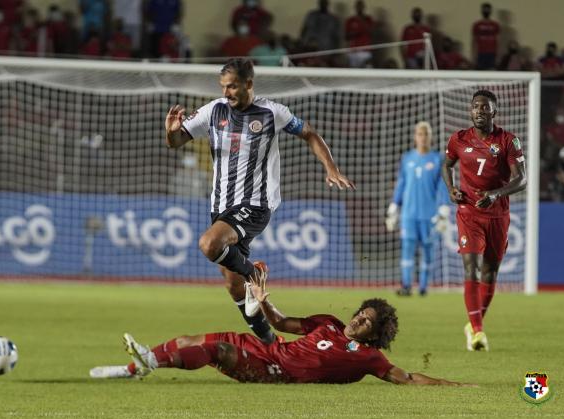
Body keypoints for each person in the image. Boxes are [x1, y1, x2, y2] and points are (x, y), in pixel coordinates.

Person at [163, 58, 355, 344]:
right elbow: (176, 142)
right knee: (233, 287)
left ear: (249, 84)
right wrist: (171, 131)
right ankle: (270, 344)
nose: (226, 92)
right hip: (221, 206)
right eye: (223, 87)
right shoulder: (213, 111)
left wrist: (331, 168)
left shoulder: (271, 112)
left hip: (255, 203)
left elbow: (309, 133)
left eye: (232, 87)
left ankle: (255, 273)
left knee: (209, 244)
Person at [90, 272, 473, 386]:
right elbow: (279, 323)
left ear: (376, 335)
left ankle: (145, 363)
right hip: (267, 351)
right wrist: (262, 299)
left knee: (214, 351)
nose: (358, 320)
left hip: (274, 370)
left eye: (367, 322)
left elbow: (407, 379)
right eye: (360, 314)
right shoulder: (328, 323)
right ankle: (135, 367)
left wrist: (457, 386)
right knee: (196, 340)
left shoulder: (370, 358)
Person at [442, 90, 527, 352]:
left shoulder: (508, 142)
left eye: (484, 107)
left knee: (490, 271)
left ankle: (474, 323)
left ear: (494, 112)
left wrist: (496, 194)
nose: (479, 110)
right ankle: (478, 331)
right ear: (470, 111)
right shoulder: (458, 139)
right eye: (475, 106)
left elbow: (521, 179)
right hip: (469, 213)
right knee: (472, 267)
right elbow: (446, 165)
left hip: (497, 214)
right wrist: (451, 189)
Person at [386, 122, 450, 297]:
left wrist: (444, 208)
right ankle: (406, 285)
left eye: (426, 134)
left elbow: (443, 186)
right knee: (407, 249)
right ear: (415, 137)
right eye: (420, 134)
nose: (422, 137)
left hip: (429, 214)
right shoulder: (407, 158)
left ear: (430, 137)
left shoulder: (437, 159)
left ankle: (423, 287)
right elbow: (401, 184)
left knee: (428, 251)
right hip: (409, 214)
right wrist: (394, 206)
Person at [344, 0, 375, 68]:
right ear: (355, 7)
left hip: (365, 51)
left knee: (366, 71)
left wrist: (361, 20)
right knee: (353, 71)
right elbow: (346, 36)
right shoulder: (350, 20)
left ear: (364, 7)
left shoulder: (368, 19)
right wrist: (353, 34)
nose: (359, 8)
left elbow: (372, 33)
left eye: (361, 6)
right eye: (358, 6)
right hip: (353, 50)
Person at [471, 2, 499, 70]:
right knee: (480, 73)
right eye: (484, 9)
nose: (486, 11)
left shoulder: (495, 25)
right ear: (482, 11)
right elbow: (474, 41)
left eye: (487, 10)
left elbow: (498, 40)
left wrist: (498, 56)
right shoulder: (477, 25)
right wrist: (473, 56)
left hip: (492, 53)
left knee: (491, 72)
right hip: (480, 53)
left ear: (490, 11)